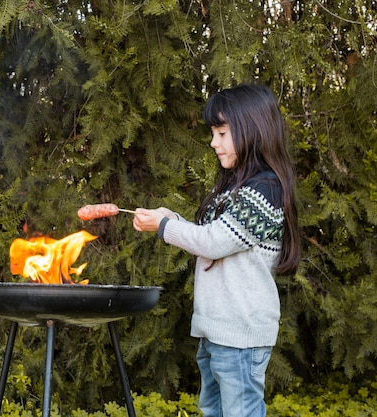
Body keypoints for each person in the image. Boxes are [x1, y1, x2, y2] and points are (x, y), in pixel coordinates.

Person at [133, 83, 301, 417]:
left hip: (240, 333)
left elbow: (212, 242)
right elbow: (213, 238)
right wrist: (172, 218)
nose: (214, 143)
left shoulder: (264, 190)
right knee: (214, 410)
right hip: (217, 331)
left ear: (252, 129)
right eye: (213, 133)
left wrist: (165, 228)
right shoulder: (233, 187)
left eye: (221, 133)